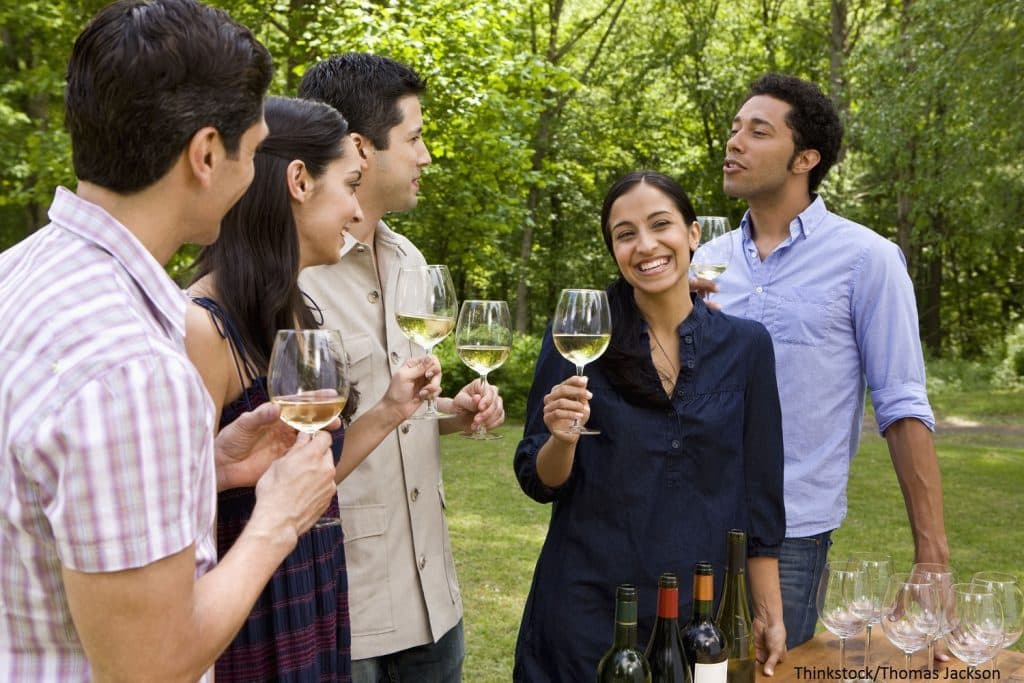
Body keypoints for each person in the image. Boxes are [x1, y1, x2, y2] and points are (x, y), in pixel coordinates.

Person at [0, 2, 341, 680]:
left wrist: (200, 468)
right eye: (254, 148)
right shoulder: (134, 368)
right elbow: (150, 666)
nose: (253, 177)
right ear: (208, 154)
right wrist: (277, 518)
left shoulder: (19, 273)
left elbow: (33, 502)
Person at [185, 95, 444, 682]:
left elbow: (314, 472)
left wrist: (388, 410)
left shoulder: (296, 313)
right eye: (351, 185)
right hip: (249, 617)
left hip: (314, 590)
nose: (357, 211)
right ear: (299, 181)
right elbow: (170, 522)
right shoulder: (201, 327)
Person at [512, 171, 787, 680]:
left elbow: (760, 490)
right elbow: (539, 480)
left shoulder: (747, 346)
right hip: (586, 610)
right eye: (625, 234)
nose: (645, 245)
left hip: (699, 614)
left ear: (693, 233)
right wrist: (561, 439)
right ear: (613, 249)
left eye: (661, 225)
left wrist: (767, 607)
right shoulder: (577, 340)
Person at [707, 73, 948, 648]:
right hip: (688, 517)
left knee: (770, 670)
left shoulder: (867, 260)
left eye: (757, 132)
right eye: (735, 128)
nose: (734, 142)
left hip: (791, 535)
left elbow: (902, 405)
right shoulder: (704, 260)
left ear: (804, 158)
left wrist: (933, 557)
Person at [296, 53, 505, 681]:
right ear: (361, 148)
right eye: (414, 138)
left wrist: (450, 410)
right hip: (348, 607)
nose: (427, 156)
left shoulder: (411, 260)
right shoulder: (295, 271)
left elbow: (396, 401)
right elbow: (295, 443)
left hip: (433, 598)